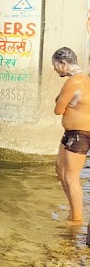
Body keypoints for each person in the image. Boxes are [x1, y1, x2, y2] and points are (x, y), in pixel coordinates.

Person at [52, 47, 90, 227]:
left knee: (71, 177)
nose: (55, 70)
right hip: (71, 133)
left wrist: (61, 102)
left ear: (64, 63)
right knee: (60, 169)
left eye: (55, 65)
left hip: (80, 134)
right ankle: (74, 209)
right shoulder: (82, 78)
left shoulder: (74, 81)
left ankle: (76, 220)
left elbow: (58, 109)